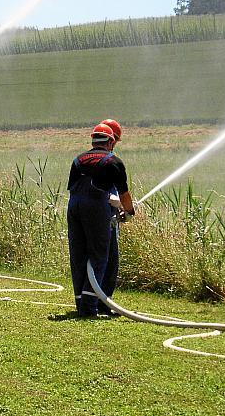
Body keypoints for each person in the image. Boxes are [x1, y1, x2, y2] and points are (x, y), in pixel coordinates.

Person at [66, 123, 135, 318]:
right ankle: (90, 307)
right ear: (111, 141)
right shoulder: (114, 161)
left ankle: (82, 303)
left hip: (73, 208)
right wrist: (129, 212)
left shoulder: (78, 160)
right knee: (99, 256)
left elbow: (77, 189)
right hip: (96, 209)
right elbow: (124, 195)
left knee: (79, 257)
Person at [98, 118, 123, 315]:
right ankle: (104, 304)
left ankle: (93, 302)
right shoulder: (110, 162)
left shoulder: (90, 159)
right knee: (110, 260)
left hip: (101, 214)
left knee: (99, 260)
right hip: (107, 217)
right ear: (111, 140)